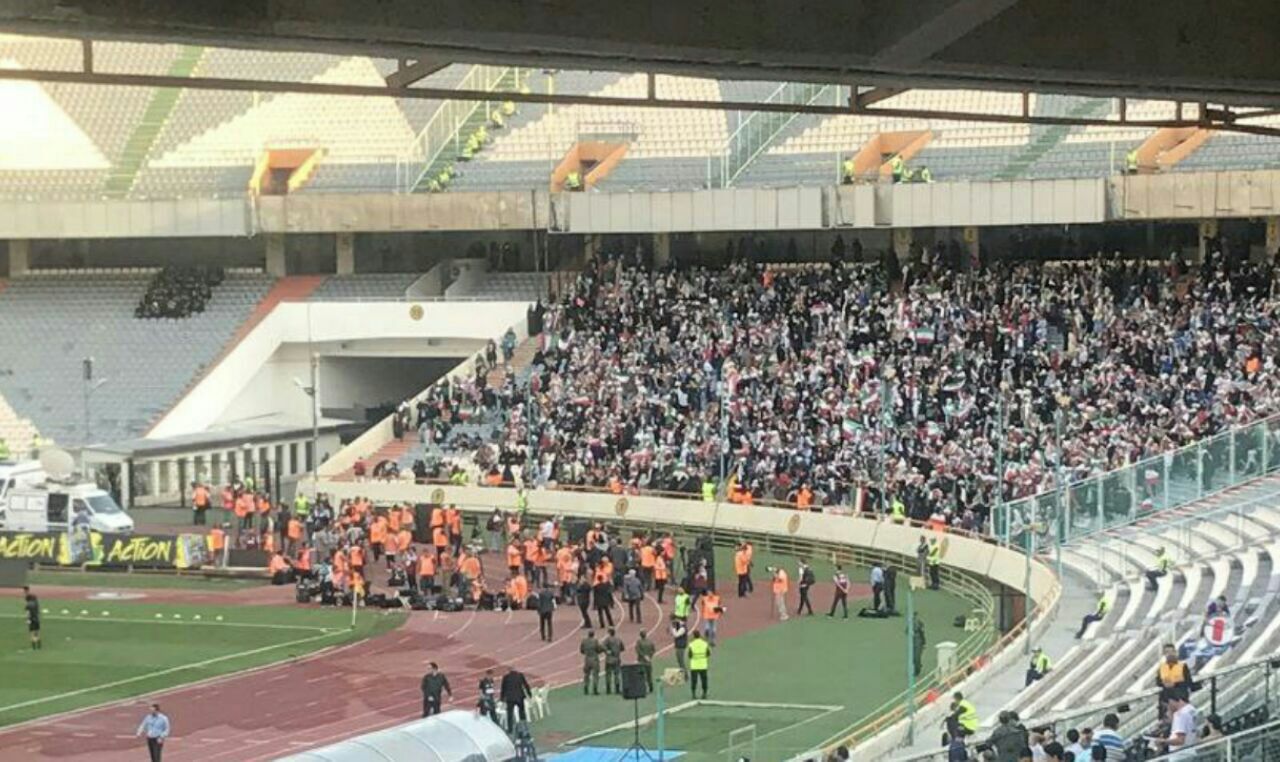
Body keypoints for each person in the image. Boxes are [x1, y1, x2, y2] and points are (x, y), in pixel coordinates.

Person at [1158, 692, 1198, 756]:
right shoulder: (1191, 709)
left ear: (1170, 701)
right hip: (1191, 750)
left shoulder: (1180, 714)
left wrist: (1164, 741)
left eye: (1167, 705)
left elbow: (1180, 740)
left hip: (1180, 754)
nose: (1168, 708)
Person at [500, 666, 533, 730]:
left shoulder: (506, 677)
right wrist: (529, 694)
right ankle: (523, 727)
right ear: (515, 670)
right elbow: (526, 685)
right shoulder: (520, 675)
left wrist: (502, 699)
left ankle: (510, 728)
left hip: (510, 698)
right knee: (522, 712)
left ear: (509, 671)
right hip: (519, 697)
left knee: (510, 714)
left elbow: (503, 689)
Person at [687, 629, 711, 700]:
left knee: (694, 680)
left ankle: (693, 694)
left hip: (694, 666)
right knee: (704, 680)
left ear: (693, 636)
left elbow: (690, 655)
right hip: (703, 665)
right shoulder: (704, 643)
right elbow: (708, 653)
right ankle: (704, 693)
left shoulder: (691, 644)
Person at [602, 627, 625, 694]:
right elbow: (622, 648)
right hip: (616, 659)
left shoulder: (607, 640)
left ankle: (608, 689)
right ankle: (617, 689)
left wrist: (607, 651)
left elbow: (602, 646)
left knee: (608, 674)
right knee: (616, 674)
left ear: (609, 632)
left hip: (609, 659)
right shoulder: (618, 639)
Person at [580, 629, 602, 695]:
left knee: (586, 675)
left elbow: (581, 650)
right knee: (595, 675)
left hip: (587, 659)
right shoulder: (595, 641)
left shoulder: (584, 641)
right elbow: (598, 649)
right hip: (594, 659)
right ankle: (595, 688)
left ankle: (586, 687)